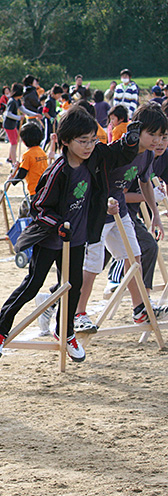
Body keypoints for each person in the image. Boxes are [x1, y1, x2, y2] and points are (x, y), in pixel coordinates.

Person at [0, 107, 141, 362]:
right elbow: (39, 207)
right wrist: (57, 224)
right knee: (33, 284)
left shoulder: (95, 156)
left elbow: (116, 153)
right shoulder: (57, 171)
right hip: (51, 238)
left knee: (72, 286)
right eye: (83, 141)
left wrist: (130, 142)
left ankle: (65, 331)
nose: (89, 146)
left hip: (77, 238)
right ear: (65, 141)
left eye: (92, 140)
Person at [73, 103, 167, 332]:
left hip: (119, 210)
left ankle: (139, 308)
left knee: (133, 256)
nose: (157, 141)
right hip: (96, 212)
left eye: (162, 135)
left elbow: (145, 182)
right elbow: (93, 178)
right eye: (152, 134)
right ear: (137, 129)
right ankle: (77, 313)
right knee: (93, 265)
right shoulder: (120, 151)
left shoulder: (147, 155)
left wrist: (155, 214)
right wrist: (102, 201)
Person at [11, 122, 47, 203]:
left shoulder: (28, 155)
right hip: (45, 188)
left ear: (24, 141)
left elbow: (22, 173)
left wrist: (13, 180)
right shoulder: (42, 152)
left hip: (35, 190)